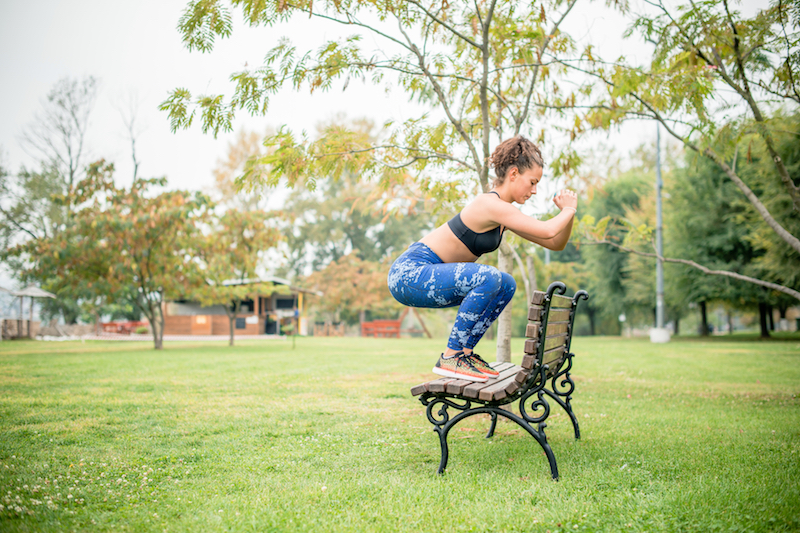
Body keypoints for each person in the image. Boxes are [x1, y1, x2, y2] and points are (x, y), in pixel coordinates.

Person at [387, 136, 578, 383]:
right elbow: (548, 230)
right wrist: (569, 209)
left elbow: (555, 243)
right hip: (409, 273)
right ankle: (451, 356)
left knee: (506, 283)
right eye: (532, 182)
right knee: (489, 276)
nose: (534, 190)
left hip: (426, 276)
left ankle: (464, 353)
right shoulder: (489, 204)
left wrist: (569, 215)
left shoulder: (503, 216)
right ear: (513, 173)